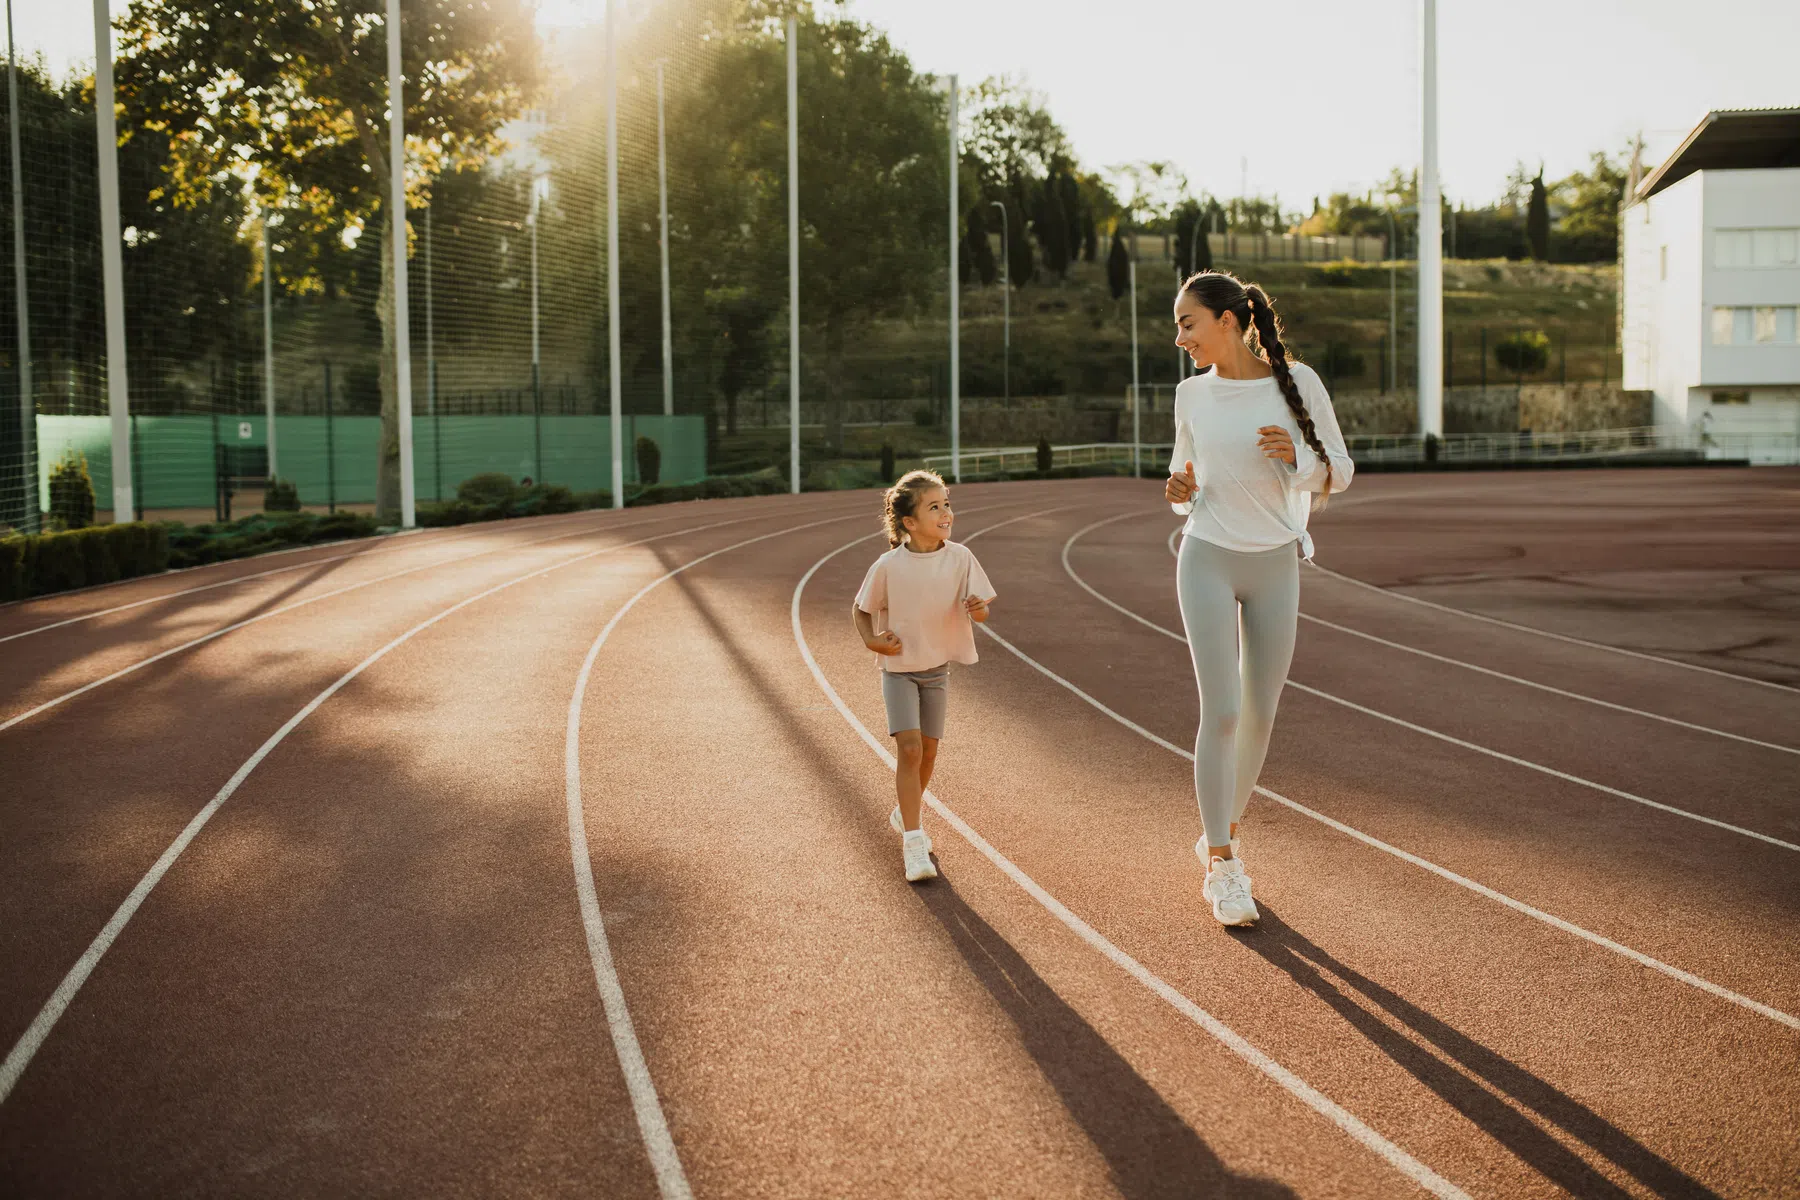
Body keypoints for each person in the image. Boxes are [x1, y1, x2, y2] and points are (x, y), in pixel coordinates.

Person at [1165, 271, 1354, 926]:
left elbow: (1341, 468)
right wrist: (1177, 489)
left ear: (1226, 320)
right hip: (1207, 558)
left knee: (1260, 714)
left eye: (1188, 322)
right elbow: (1183, 474)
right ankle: (1223, 864)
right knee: (1220, 710)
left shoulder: (1298, 385)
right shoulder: (1191, 394)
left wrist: (1297, 457)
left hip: (1275, 563)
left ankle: (1221, 826)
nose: (1180, 336)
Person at [852, 470, 996, 882]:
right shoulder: (888, 565)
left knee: (929, 754)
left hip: (937, 670)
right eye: (935, 506)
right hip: (899, 670)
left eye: (947, 503)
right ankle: (914, 844)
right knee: (911, 750)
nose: (946, 512)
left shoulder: (961, 558)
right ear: (909, 523)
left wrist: (977, 609)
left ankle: (905, 810)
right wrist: (872, 641)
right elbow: (861, 608)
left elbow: (983, 609)